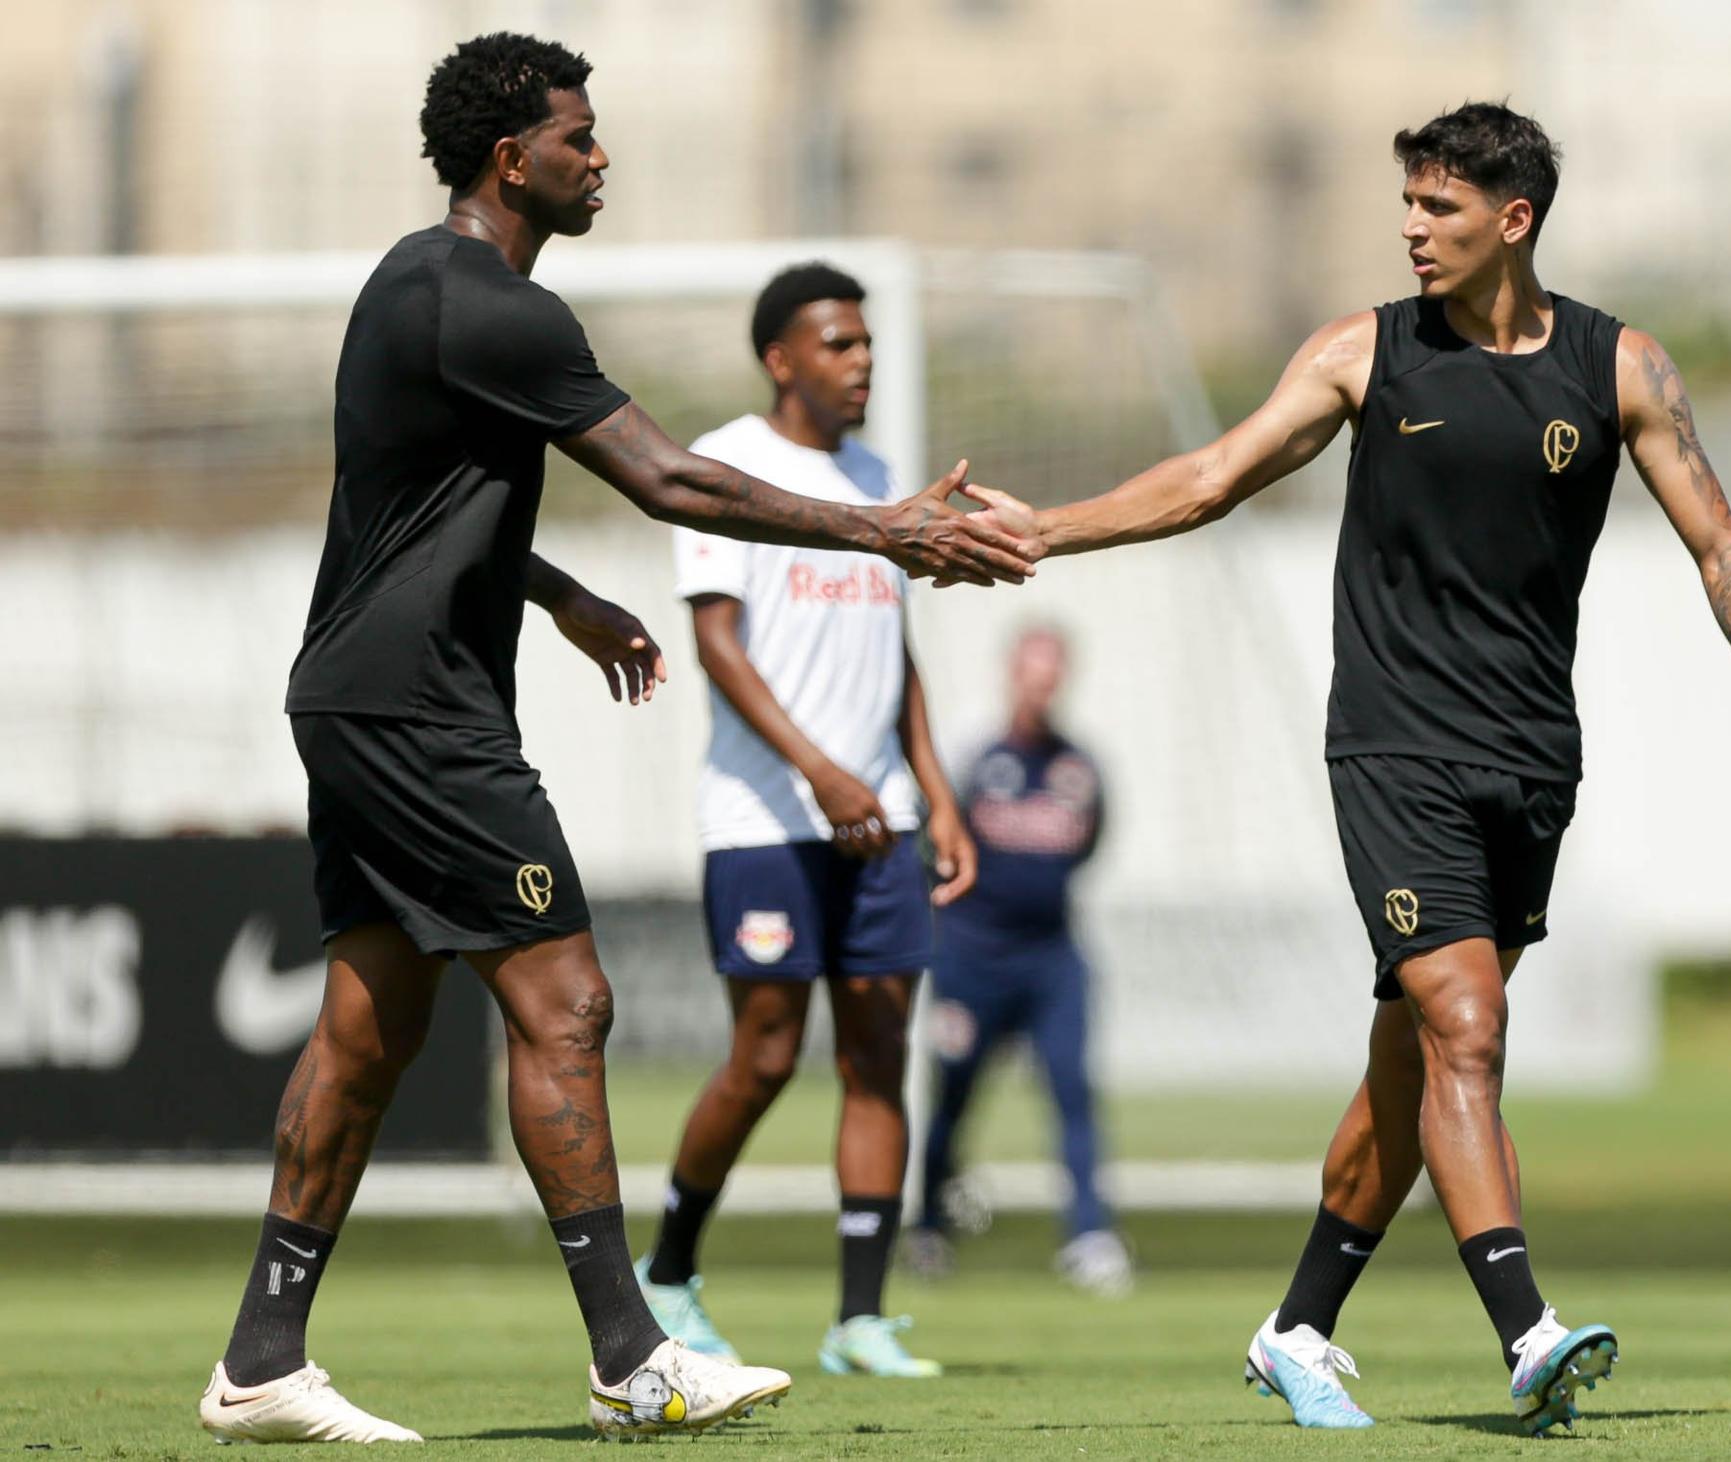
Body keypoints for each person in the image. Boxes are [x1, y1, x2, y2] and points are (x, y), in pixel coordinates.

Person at [199, 33, 1035, 1446]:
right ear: (510, 158)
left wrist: (559, 590)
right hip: (420, 708)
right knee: (568, 999)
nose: (601, 158)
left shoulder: (406, 283)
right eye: (579, 137)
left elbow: (405, 507)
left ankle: (262, 1357)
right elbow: (672, 478)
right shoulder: (498, 305)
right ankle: (633, 1351)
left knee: (371, 1019)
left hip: (352, 689)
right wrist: (880, 523)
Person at [966, 102, 1731, 1435]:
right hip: (1392, 746)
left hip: (1531, 758)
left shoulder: (1621, 365)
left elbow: (1720, 540)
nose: (1412, 229)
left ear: (1512, 220)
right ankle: (1528, 1329)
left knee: (1415, 1062)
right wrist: (1045, 530)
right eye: (1408, 205)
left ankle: (1297, 1325)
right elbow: (1208, 477)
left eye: (1441, 210)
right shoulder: (1364, 350)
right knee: (1467, 1024)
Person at [633, 263, 969, 1380]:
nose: (861, 359)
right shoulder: (723, 464)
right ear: (782, 357)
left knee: (879, 1054)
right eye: (838, 343)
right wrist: (821, 770)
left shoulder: (875, 478)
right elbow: (718, 644)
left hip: (886, 817)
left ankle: (860, 1318)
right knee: (766, 1053)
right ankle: (667, 1275)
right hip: (765, 816)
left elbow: (897, 658)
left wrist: (938, 793)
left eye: (866, 342)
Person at [905, 626, 1130, 1296]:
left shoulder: (1079, 769)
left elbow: (1091, 843)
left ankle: (1090, 1234)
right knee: (956, 1092)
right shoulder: (977, 759)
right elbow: (932, 844)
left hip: (1052, 958)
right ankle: (927, 1226)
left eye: (1052, 673)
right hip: (971, 957)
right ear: (1011, 674)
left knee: (1072, 1090)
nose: (1041, 685)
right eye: (1031, 671)